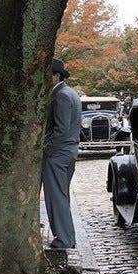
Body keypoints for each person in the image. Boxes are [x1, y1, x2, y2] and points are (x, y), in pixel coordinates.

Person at [42, 58, 82, 249]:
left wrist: (46, 149)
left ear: (56, 76)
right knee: (61, 197)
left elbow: (61, 129)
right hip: (67, 152)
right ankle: (67, 237)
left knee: (56, 198)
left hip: (58, 154)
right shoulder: (70, 93)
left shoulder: (61, 96)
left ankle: (64, 239)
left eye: (46, 75)